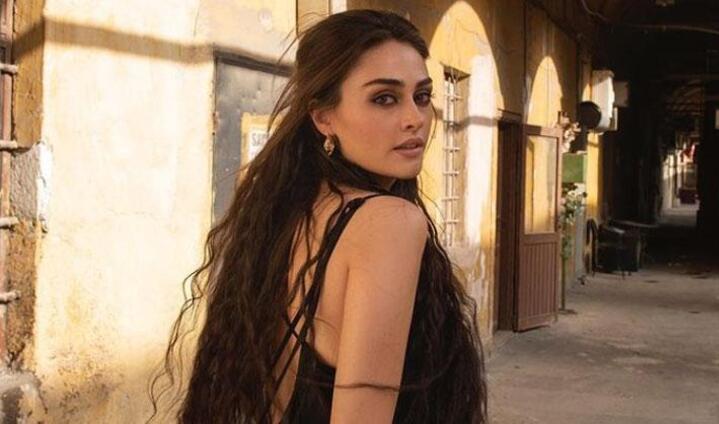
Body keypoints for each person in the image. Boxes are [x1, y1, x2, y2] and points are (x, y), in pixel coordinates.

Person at [149, 9, 487, 423]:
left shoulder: (295, 211)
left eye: (421, 96)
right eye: (384, 98)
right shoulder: (388, 223)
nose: (414, 119)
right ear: (323, 117)